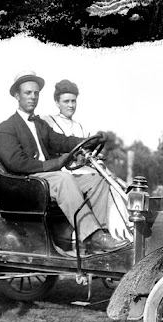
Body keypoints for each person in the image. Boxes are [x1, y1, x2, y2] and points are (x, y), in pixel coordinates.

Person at [0, 70, 129, 253]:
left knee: (97, 180)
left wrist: (90, 141)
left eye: (36, 93)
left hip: (47, 179)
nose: (33, 97)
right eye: (28, 93)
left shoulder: (40, 124)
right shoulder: (6, 128)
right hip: (28, 183)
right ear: (17, 96)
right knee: (64, 178)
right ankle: (92, 235)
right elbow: (16, 164)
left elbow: (62, 141)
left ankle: (97, 235)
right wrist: (54, 164)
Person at [42, 79, 132, 242]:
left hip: (81, 170)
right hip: (61, 172)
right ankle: (109, 233)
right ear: (57, 102)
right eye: (66, 101)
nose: (70, 105)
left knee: (111, 181)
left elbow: (84, 150)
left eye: (73, 101)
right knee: (104, 182)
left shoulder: (80, 126)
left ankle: (114, 230)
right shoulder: (47, 121)